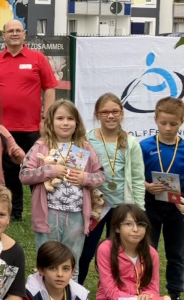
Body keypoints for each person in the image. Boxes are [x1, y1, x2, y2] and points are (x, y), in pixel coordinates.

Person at [0, 19, 58, 221]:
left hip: (32, 126)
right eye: (10, 31)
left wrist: (46, 118)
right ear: (4, 36)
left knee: (37, 170)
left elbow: (50, 88)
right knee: (9, 172)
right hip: (3, 128)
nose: (14, 34)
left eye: (18, 30)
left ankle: (42, 210)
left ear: (24, 35)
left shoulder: (37, 58)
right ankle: (15, 212)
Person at [20, 100, 105, 273]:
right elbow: (24, 175)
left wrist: (85, 178)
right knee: (47, 260)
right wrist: (51, 170)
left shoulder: (84, 147)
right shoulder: (41, 146)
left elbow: (100, 175)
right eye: (60, 118)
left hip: (76, 217)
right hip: (48, 214)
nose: (65, 123)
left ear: (77, 123)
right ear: (51, 122)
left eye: (70, 119)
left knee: (71, 263)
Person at [78, 93, 146, 284]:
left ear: (122, 114)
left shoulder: (131, 143)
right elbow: (76, 169)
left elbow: (138, 178)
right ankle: (76, 291)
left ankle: (113, 293)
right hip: (95, 207)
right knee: (85, 253)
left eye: (115, 111)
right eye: (105, 112)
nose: (110, 116)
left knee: (117, 255)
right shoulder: (85, 140)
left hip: (122, 207)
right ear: (97, 114)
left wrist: (138, 210)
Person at [140, 97, 184, 300]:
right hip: (151, 206)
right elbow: (135, 176)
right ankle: (147, 290)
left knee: (176, 253)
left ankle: (174, 292)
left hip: (177, 208)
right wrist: (147, 186)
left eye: (173, 124)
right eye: (163, 123)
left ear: (181, 122)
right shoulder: (143, 146)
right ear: (155, 119)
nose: (168, 128)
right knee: (148, 251)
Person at [96, 204, 160, 300]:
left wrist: (148, 295)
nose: (135, 229)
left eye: (141, 224)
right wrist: (136, 298)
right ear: (117, 228)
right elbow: (110, 291)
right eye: (128, 224)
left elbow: (153, 289)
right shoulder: (105, 249)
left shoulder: (152, 253)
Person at [25, 241, 89, 300]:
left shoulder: (79, 295)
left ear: (72, 271)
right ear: (41, 270)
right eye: (53, 268)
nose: (60, 274)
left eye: (65, 269)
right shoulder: (30, 295)